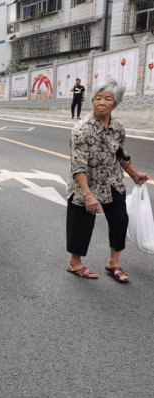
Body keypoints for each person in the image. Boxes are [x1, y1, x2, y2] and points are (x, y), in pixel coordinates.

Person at [66, 78, 150, 282]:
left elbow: (120, 154)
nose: (101, 103)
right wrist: (88, 195)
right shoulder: (81, 129)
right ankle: (75, 263)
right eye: (98, 98)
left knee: (120, 221)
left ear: (116, 103)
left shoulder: (118, 128)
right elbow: (78, 165)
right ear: (92, 101)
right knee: (82, 225)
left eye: (107, 99)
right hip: (87, 184)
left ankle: (113, 263)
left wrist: (134, 174)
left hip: (113, 182)